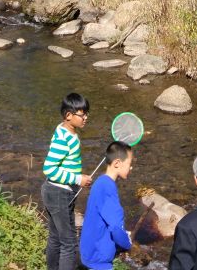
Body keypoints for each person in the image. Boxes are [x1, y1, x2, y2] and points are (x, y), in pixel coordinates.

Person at [42, 93, 93, 270]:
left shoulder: (65, 130)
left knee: (56, 237)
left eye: (86, 113)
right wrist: (78, 179)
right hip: (58, 194)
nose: (86, 117)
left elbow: (65, 165)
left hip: (58, 192)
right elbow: (49, 169)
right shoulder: (65, 139)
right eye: (82, 114)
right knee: (69, 243)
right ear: (68, 116)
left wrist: (77, 178)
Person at [80, 141, 135, 270]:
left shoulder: (100, 182)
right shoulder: (108, 189)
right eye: (130, 164)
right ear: (117, 163)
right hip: (98, 260)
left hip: (89, 252)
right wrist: (127, 243)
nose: (131, 168)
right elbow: (115, 227)